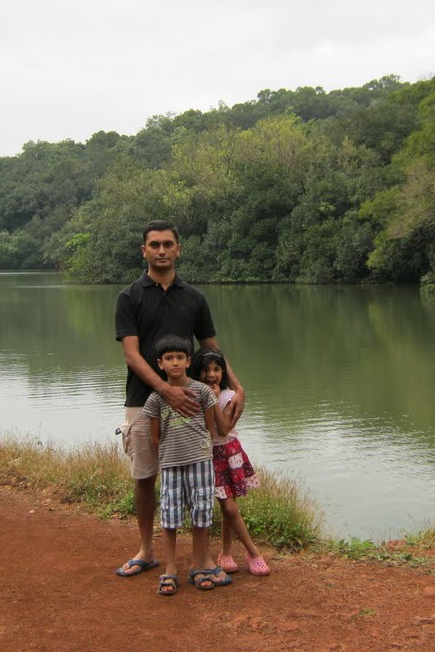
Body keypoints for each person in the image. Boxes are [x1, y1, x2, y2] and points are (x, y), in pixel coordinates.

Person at [114, 220, 245, 579]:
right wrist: (165, 389)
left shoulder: (194, 298)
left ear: (178, 250)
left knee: (197, 477)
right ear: (144, 251)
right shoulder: (130, 297)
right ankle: (146, 549)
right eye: (154, 244)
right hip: (144, 400)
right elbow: (132, 354)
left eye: (167, 244)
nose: (161, 250)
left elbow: (211, 349)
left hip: (190, 404)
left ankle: (200, 558)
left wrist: (238, 386)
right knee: (145, 477)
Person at [142, 334, 231, 595]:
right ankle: (169, 568)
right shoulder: (156, 399)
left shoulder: (202, 391)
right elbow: (154, 437)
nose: (175, 363)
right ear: (160, 364)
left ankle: (198, 565)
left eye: (180, 357)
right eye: (169, 358)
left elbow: (209, 426)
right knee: (170, 516)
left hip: (201, 461)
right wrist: (169, 453)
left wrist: (199, 449)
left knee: (201, 512)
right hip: (171, 463)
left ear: (188, 361)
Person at [192, 347, 270, 577]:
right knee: (229, 507)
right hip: (207, 454)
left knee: (229, 507)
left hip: (227, 452)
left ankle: (243, 553)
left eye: (217, 369)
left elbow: (224, 428)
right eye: (206, 370)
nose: (211, 375)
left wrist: (214, 400)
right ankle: (244, 552)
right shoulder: (194, 394)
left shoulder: (227, 396)